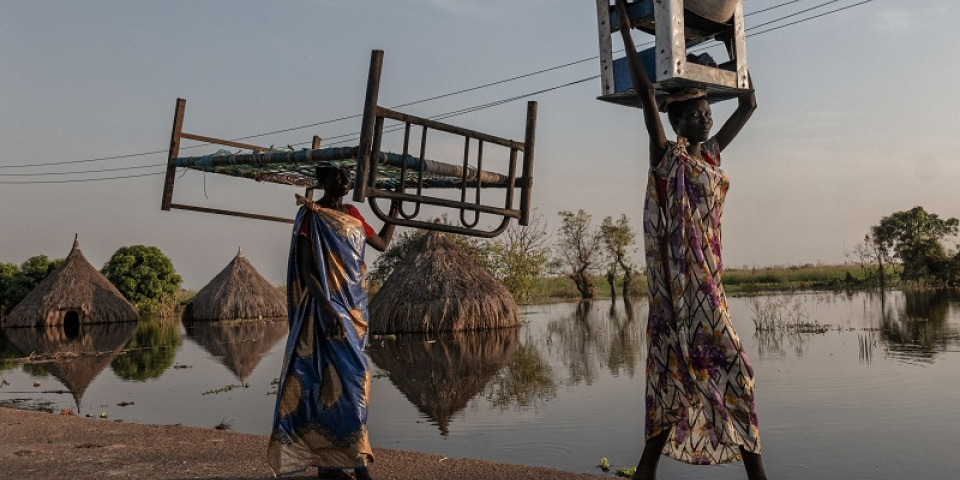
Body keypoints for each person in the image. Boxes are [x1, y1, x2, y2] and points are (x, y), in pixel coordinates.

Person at [612, 1, 767, 479]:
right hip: (678, 296)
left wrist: (733, 52)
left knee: (727, 374)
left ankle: (647, 472)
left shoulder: (712, 158)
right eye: (696, 114)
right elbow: (644, 93)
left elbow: (748, 104)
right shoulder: (666, 158)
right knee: (677, 376)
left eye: (706, 112)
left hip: (709, 287)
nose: (705, 119)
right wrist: (623, 29)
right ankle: (656, 472)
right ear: (678, 121)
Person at [268, 166, 398, 480]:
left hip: (355, 310)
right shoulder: (311, 217)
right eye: (337, 176)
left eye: (347, 175)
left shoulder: (352, 213)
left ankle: (332, 464)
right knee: (331, 384)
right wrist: (328, 311)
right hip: (325, 312)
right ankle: (356, 464)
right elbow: (307, 270)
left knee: (354, 384)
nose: (345, 180)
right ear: (323, 182)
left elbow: (381, 243)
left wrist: (394, 209)